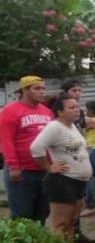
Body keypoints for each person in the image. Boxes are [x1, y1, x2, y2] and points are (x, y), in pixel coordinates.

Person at [30, 94, 93, 239]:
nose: (77, 110)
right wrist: (48, 167)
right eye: (71, 108)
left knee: (72, 222)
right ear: (59, 111)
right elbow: (36, 148)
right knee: (61, 224)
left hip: (79, 181)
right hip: (63, 181)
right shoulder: (54, 126)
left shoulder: (71, 127)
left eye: (77, 107)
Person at [0, 75, 53, 223]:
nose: (42, 92)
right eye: (37, 88)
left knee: (42, 212)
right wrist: (14, 167)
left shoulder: (46, 112)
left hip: (43, 170)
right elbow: (6, 141)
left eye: (43, 88)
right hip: (22, 172)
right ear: (24, 90)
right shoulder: (10, 111)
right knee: (21, 214)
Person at [61, 78, 95, 243]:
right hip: (67, 165)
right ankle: (65, 240)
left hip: (80, 162)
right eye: (74, 91)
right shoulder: (59, 112)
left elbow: (81, 131)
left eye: (79, 91)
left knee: (78, 204)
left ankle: (76, 233)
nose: (78, 94)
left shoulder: (80, 112)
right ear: (65, 92)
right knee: (66, 207)